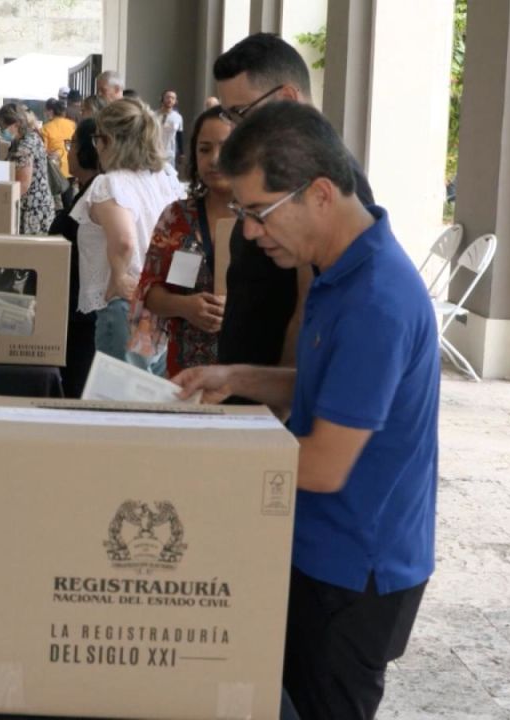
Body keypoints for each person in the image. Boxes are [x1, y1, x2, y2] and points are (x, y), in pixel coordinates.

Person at [174, 102, 437, 720]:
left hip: (355, 567)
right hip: (318, 545)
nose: (249, 232)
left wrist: (198, 456)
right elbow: (327, 390)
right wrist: (237, 377)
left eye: (258, 213)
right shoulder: (336, 270)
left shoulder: (377, 299)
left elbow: (322, 464)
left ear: (319, 193)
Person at [213, 32, 374, 374]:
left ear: (287, 98)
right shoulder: (274, 171)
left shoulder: (319, 177)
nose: (232, 130)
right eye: (228, 116)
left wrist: (278, 409)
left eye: (240, 113)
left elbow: (309, 307)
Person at [70, 97, 184, 359]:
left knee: (116, 395)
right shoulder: (164, 178)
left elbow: (123, 240)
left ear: (109, 140)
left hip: (124, 306)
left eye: (98, 139)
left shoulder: (110, 184)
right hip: (160, 305)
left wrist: (119, 277)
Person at [133, 106, 235, 377]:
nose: (214, 159)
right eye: (204, 149)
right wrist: (186, 306)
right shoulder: (178, 216)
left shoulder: (268, 219)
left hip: (250, 375)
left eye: (226, 147)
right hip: (186, 372)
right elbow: (150, 291)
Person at [48, 117, 102, 398]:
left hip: (84, 313)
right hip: (74, 309)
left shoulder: (98, 194)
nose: (67, 151)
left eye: (71, 145)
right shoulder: (84, 190)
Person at [0, 103, 55, 235]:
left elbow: (23, 184)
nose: (1, 131)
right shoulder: (23, 140)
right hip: (32, 206)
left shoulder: (26, 145)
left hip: (32, 211)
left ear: (15, 124)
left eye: (2, 127)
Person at [41, 98, 77, 180]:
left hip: (55, 170)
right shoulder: (72, 125)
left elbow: (43, 150)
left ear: (52, 112)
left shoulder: (45, 128)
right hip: (71, 167)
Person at [157, 90, 184, 172]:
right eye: (167, 97)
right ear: (162, 99)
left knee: (169, 174)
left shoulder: (178, 117)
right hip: (155, 150)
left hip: (170, 152)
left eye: (172, 98)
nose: (170, 100)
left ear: (176, 101)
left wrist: (181, 152)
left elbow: (179, 134)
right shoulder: (153, 115)